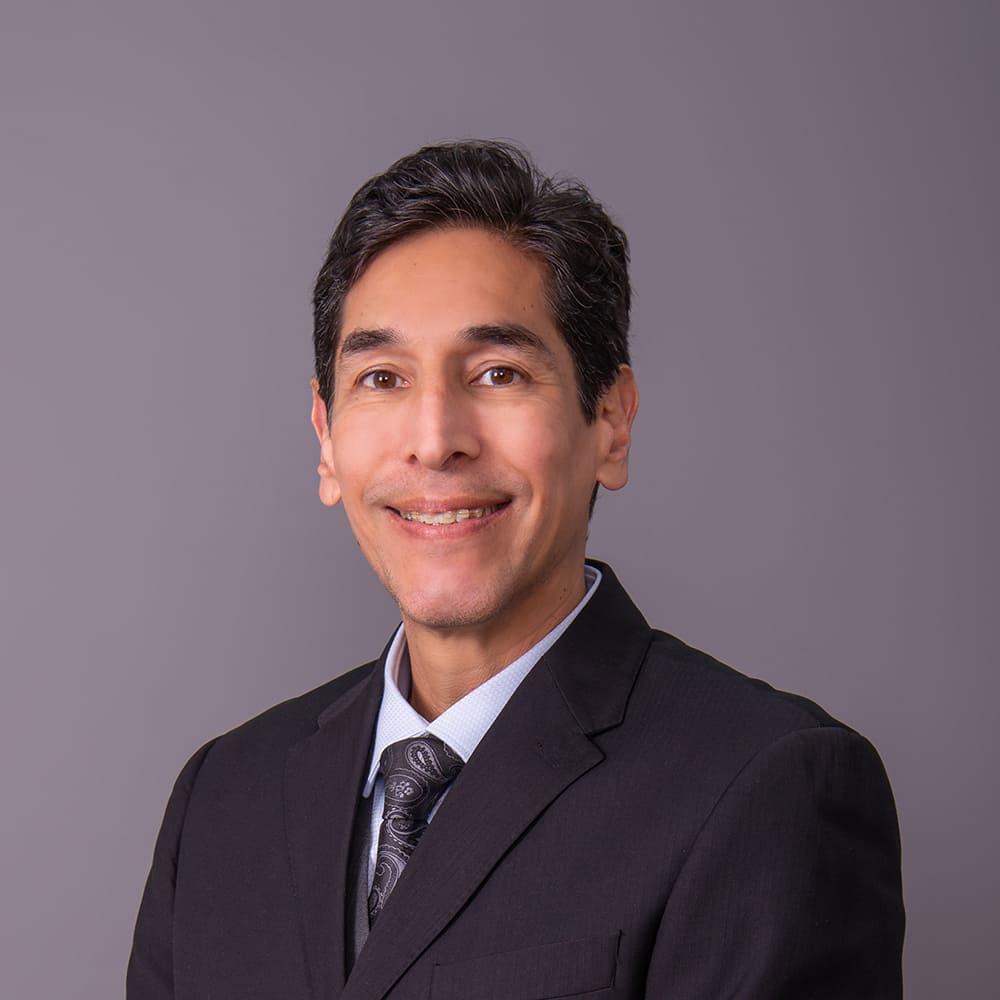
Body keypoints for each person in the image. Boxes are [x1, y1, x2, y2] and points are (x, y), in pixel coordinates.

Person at [128, 140, 904, 999]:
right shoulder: (222, 800)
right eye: (382, 378)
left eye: (498, 373)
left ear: (610, 421)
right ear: (325, 437)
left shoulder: (765, 788)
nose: (435, 440)